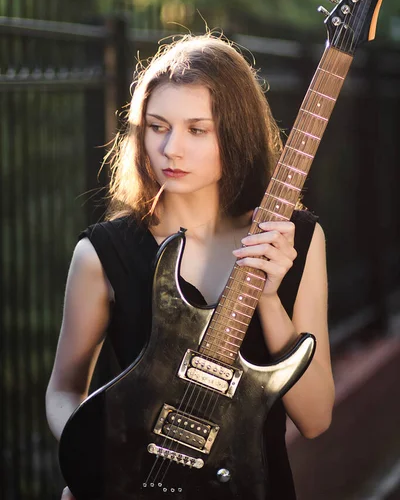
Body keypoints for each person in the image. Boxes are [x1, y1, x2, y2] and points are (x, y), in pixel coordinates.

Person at [46, 34, 335, 500]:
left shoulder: (295, 240)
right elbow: (63, 391)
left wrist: (267, 296)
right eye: (157, 126)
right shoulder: (103, 253)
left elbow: (316, 418)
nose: (171, 149)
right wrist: (100, 464)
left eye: (197, 130)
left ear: (236, 133)